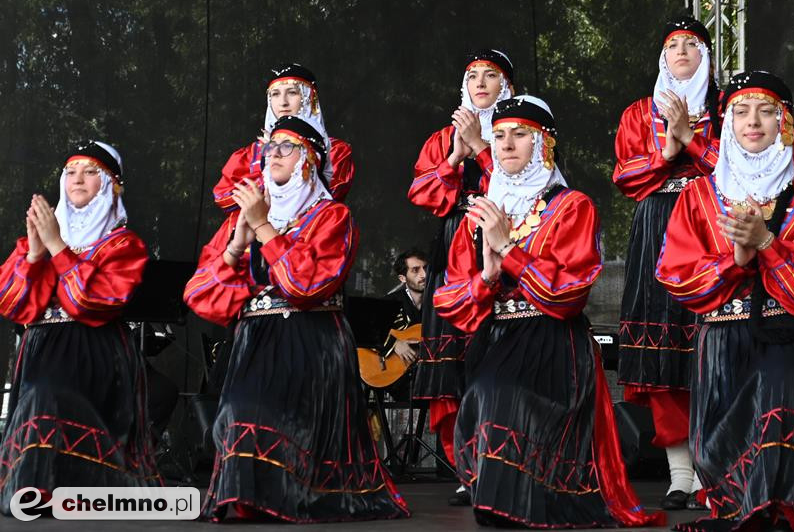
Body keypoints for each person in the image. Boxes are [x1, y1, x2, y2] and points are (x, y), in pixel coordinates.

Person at [434, 95, 664, 528]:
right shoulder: (480, 213)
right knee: (485, 396)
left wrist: (507, 250)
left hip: (553, 341)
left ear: (545, 144)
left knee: (504, 397)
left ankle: (528, 503)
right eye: (498, 136)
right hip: (498, 337)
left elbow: (568, 294)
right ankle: (504, 502)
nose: (505, 144)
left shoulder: (571, 206)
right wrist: (485, 278)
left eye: (520, 135)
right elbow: (449, 298)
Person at [656, 72, 794, 532]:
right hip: (722, 343)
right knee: (728, 455)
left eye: (766, 111)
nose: (753, 121)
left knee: (780, 391)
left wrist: (768, 244)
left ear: (784, 124)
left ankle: (787, 511)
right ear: (726, 124)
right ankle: (746, 510)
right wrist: (735, 260)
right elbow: (677, 277)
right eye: (741, 112)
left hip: (789, 338)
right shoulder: (698, 196)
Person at [184, 116, 408, 522]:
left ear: (309, 159)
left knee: (288, 424)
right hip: (254, 340)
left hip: (311, 340)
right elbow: (200, 294)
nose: (273, 155)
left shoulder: (331, 216)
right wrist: (236, 244)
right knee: (238, 411)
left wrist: (264, 228)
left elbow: (306, 285)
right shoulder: (241, 219)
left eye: (286, 147)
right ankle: (248, 497)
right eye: (269, 148)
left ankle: (290, 497)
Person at [0, 142, 158, 513]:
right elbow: (12, 303)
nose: (78, 179)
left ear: (110, 184)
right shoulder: (38, 240)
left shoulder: (124, 244)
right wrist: (36, 254)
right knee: (40, 399)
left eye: (90, 172)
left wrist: (57, 247)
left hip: (94, 348)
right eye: (71, 172)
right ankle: (33, 492)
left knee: (48, 398)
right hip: (41, 347)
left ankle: (65, 494)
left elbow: (91, 302)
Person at [613, 15, 720, 509]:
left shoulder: (727, 107)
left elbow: (746, 162)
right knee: (662, 352)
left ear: (706, 55)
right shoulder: (640, 112)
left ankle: (714, 467)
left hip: (709, 226)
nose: (681, 50)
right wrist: (670, 149)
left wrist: (692, 138)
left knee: (712, 349)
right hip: (657, 227)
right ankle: (681, 473)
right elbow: (626, 174)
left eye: (691, 44)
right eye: (672, 44)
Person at [407, 49, 514, 505]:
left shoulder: (521, 136)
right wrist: (455, 153)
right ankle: (467, 469)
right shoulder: (441, 139)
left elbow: (531, 187)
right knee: (449, 366)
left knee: (496, 358)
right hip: (455, 249)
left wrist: (486, 148)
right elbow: (423, 193)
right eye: (472, 75)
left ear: (507, 85)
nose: (481, 81)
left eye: (492, 75)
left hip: (502, 244)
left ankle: (503, 463)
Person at [212, 63, 354, 211]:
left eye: (292, 92)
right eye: (275, 94)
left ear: (309, 98)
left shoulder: (333, 151)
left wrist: (266, 176)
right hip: (248, 229)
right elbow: (223, 197)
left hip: (308, 231)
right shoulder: (251, 154)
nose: (283, 102)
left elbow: (328, 195)